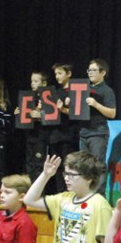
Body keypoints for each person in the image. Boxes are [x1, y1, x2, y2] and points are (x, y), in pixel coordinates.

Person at [47, 63, 80, 195]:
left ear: (69, 74)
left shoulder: (76, 91)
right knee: (57, 166)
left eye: (60, 73)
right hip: (55, 134)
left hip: (70, 134)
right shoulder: (54, 93)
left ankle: (70, 193)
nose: (57, 77)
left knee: (69, 166)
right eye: (55, 74)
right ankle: (61, 193)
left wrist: (65, 108)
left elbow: (78, 113)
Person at [82, 58, 117, 171]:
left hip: (98, 132)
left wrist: (96, 105)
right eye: (89, 70)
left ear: (103, 73)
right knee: (83, 166)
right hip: (83, 132)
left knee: (97, 166)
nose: (90, 73)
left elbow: (112, 113)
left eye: (94, 70)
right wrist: (70, 102)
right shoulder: (84, 89)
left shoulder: (107, 91)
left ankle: (98, 189)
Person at [21, 70, 50, 181]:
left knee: (39, 164)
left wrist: (40, 114)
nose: (32, 83)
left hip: (41, 135)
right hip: (30, 134)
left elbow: (52, 116)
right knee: (29, 163)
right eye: (32, 81)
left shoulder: (48, 98)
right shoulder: (28, 98)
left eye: (36, 81)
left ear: (44, 83)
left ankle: (39, 193)